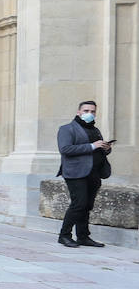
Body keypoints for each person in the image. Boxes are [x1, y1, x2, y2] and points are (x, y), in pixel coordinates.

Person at [57, 100, 112, 248]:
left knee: (87, 205)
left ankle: (83, 236)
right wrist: (92, 145)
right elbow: (66, 149)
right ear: (79, 112)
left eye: (93, 111)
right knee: (78, 204)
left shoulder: (95, 130)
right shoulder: (67, 129)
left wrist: (105, 148)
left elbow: (97, 150)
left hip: (94, 172)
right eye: (86, 111)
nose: (90, 114)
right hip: (75, 173)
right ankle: (64, 235)